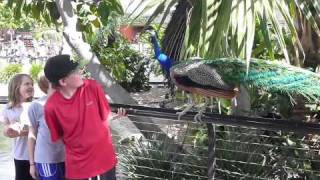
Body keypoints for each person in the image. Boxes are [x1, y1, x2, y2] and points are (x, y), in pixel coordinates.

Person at [44, 54, 126, 180]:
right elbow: (59, 136)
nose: (80, 71)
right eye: (75, 71)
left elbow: (104, 117)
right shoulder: (51, 107)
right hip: (79, 168)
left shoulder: (92, 87)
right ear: (63, 81)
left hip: (104, 161)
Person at [27, 76, 65, 180]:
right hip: (47, 160)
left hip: (69, 159)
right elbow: (32, 134)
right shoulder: (36, 106)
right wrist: (32, 164)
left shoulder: (70, 104)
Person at [1, 73, 34, 180]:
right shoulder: (7, 108)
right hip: (19, 155)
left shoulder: (35, 106)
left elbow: (37, 130)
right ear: (16, 87)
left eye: (32, 84)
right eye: (27, 84)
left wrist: (20, 130)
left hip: (37, 156)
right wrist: (9, 129)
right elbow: (6, 130)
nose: (31, 86)